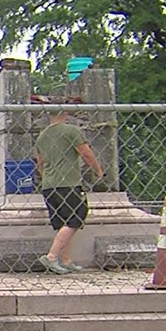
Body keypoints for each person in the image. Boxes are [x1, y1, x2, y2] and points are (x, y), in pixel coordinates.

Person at [34, 107, 105, 274]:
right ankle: (51, 257)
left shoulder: (42, 136)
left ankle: (66, 260)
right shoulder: (71, 131)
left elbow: (40, 162)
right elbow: (86, 152)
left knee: (63, 223)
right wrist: (98, 171)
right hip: (68, 183)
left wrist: (46, 177)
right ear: (65, 114)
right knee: (76, 217)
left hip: (49, 185)